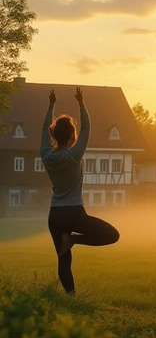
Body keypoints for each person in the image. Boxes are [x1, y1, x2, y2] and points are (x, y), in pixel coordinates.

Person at [41, 87, 120, 295]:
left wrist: (51, 106)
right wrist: (81, 103)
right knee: (112, 235)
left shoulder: (46, 155)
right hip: (74, 213)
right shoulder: (74, 155)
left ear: (53, 134)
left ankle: (71, 297)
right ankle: (74, 239)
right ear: (72, 136)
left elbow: (43, 130)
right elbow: (86, 129)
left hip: (55, 215)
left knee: (63, 259)